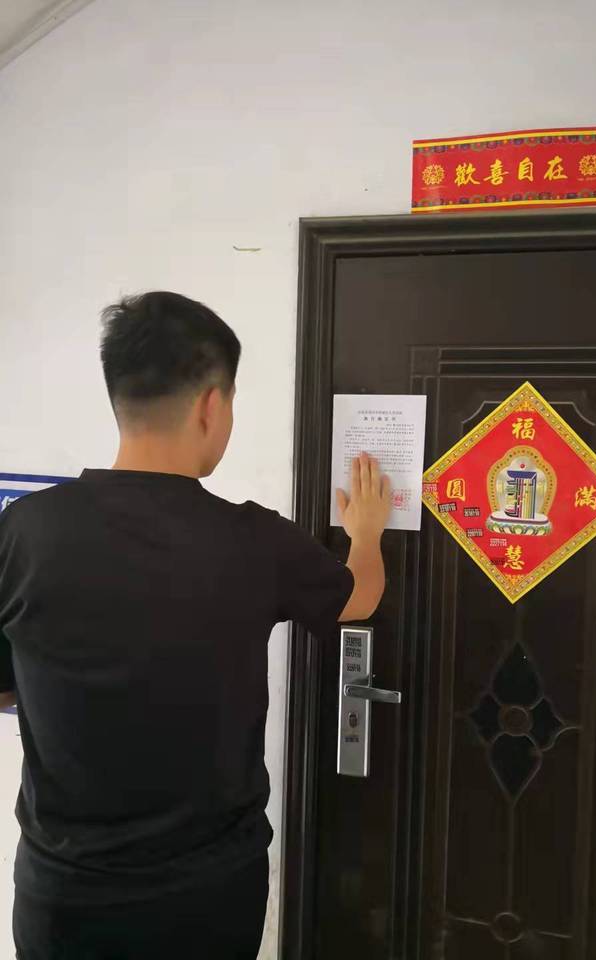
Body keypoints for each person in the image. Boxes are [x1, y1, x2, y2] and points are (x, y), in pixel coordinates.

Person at [0, 291, 390, 960]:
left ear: (119, 395)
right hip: (207, 896)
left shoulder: (23, 531)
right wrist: (367, 533)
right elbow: (359, 597)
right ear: (212, 405)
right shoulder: (254, 541)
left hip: (64, 894)